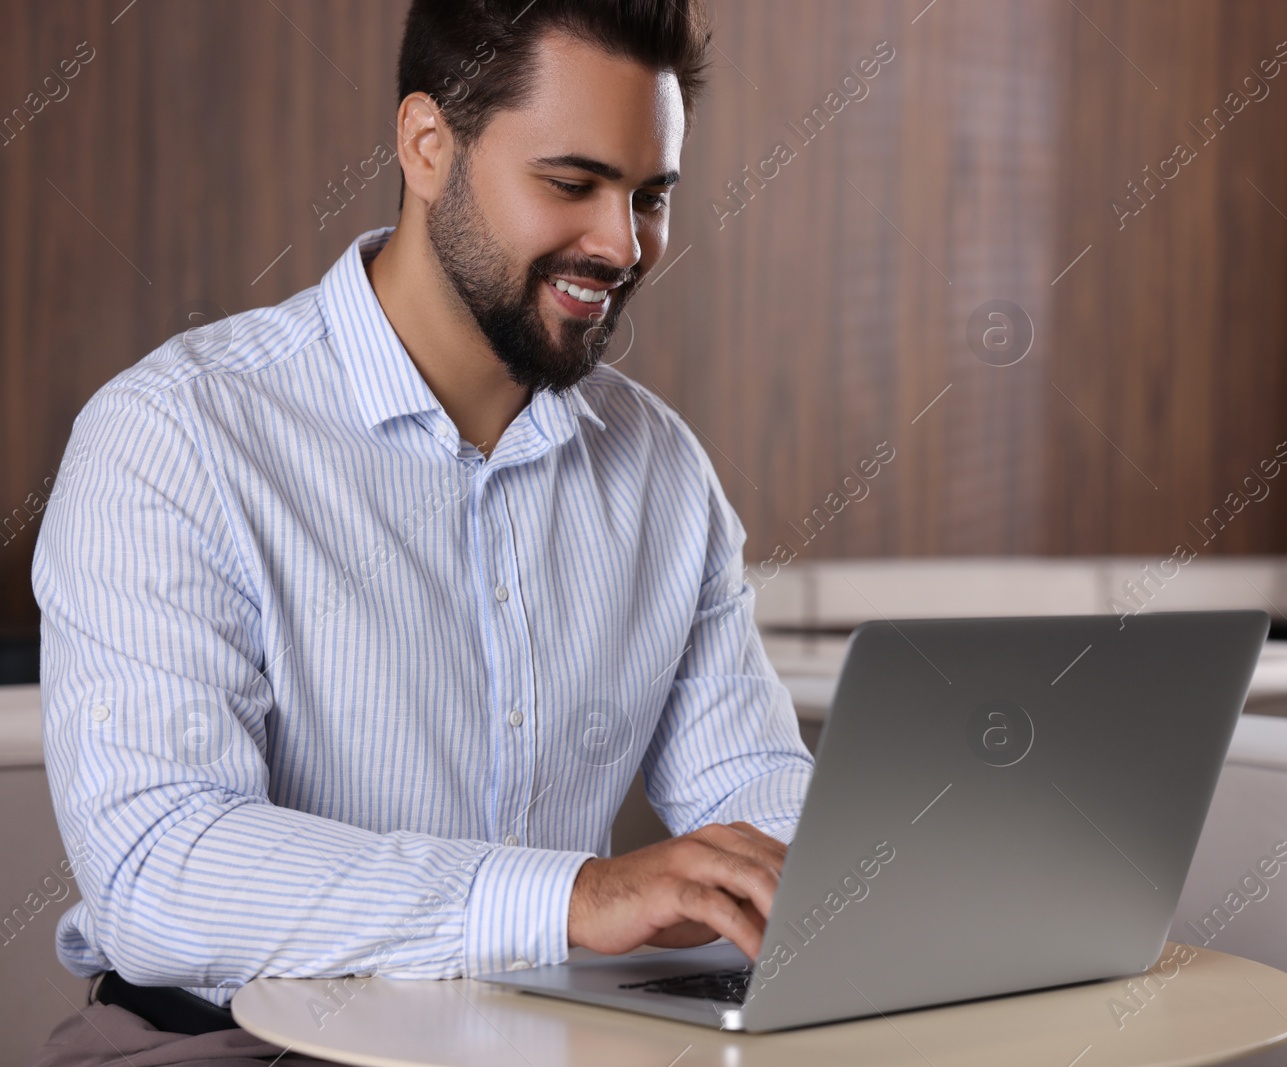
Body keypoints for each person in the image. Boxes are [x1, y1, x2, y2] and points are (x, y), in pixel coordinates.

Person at [29, 2, 813, 1063]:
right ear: (427, 145)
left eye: (650, 195)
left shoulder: (662, 471)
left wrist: (848, 871)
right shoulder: (176, 436)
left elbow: (754, 799)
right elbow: (160, 869)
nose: (622, 245)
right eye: (571, 183)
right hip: (231, 1046)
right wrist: (573, 896)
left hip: (538, 1037)